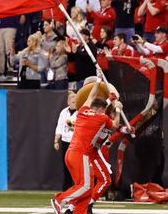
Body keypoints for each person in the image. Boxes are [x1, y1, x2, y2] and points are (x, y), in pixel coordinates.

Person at [52, 77, 121, 214]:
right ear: (101, 109)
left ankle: (78, 211)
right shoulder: (102, 118)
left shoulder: (83, 110)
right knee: (86, 186)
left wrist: (98, 80)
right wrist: (117, 109)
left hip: (71, 152)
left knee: (85, 188)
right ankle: (60, 200)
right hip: (81, 153)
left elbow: (92, 95)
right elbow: (115, 125)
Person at [54, 91, 78, 191]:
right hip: (65, 141)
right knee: (66, 167)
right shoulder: (64, 112)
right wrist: (56, 140)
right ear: (68, 102)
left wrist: (72, 125)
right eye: (72, 102)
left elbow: (78, 127)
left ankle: (77, 188)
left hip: (75, 142)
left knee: (76, 167)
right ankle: (66, 190)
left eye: (76, 102)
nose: (74, 103)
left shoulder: (80, 112)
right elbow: (59, 126)